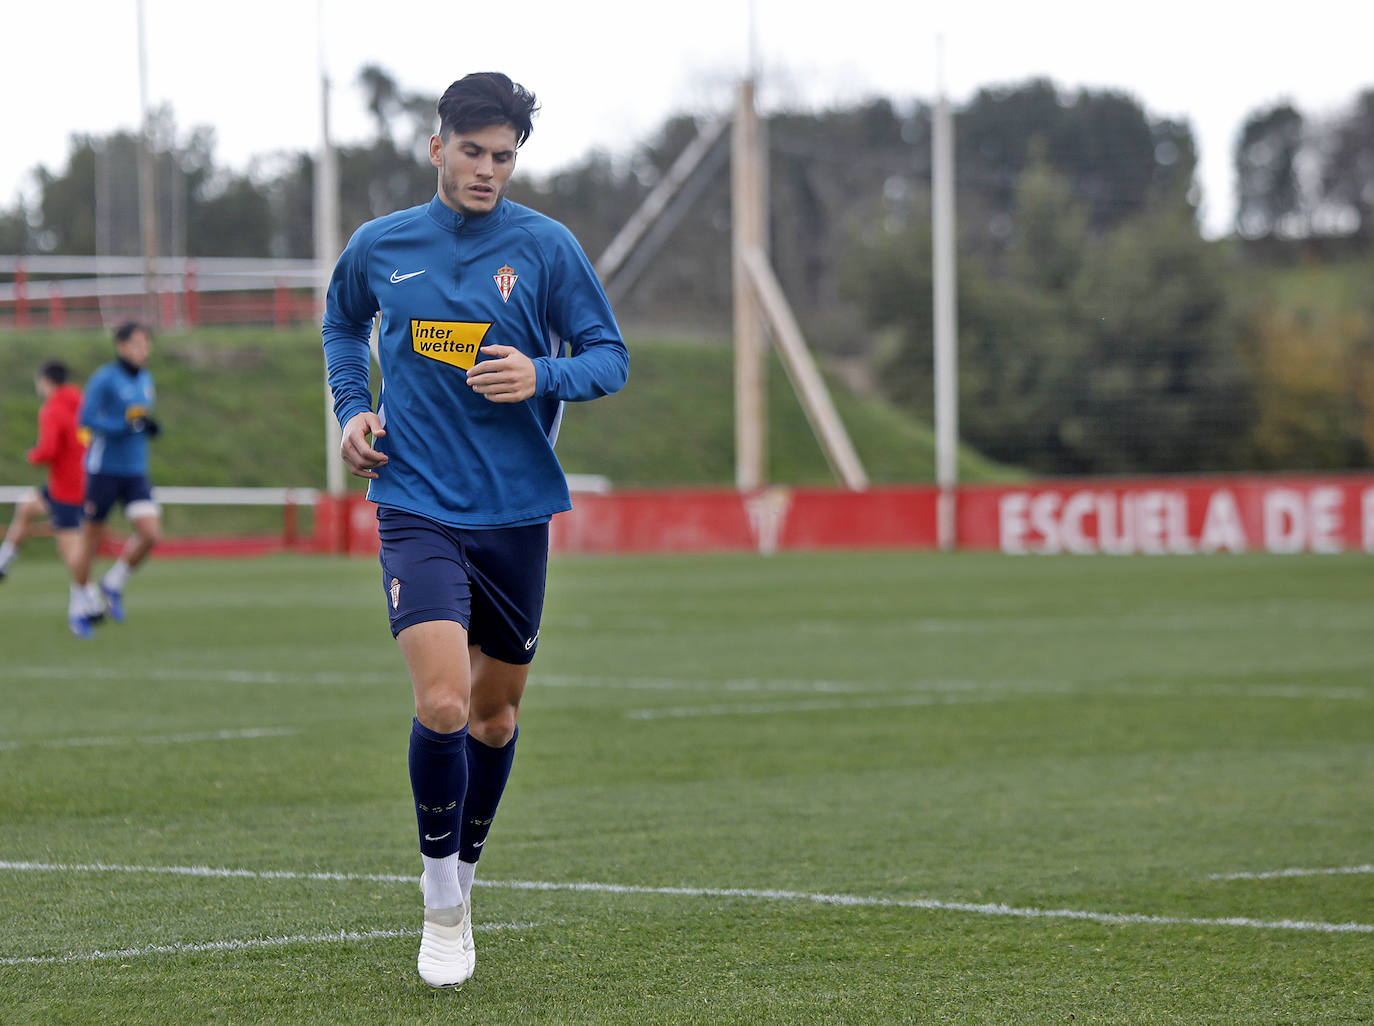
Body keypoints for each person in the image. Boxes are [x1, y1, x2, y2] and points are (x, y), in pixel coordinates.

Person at [322, 72, 628, 989]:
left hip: (514, 513)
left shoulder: (545, 247)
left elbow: (607, 358)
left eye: (504, 156)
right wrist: (350, 409)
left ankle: (466, 869)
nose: (488, 170)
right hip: (414, 502)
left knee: (495, 718)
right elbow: (343, 324)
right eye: (472, 151)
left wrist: (541, 374)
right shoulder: (382, 245)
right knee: (445, 703)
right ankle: (440, 902)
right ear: (437, 147)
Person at [72, 320, 162, 633]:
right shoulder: (105, 378)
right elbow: (85, 420)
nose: (144, 349)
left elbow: (140, 416)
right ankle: (79, 605)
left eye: (146, 343)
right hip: (104, 470)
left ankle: (113, 582)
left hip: (135, 470)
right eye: (138, 343)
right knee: (90, 542)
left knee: (150, 533)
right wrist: (121, 427)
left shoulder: (146, 378)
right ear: (122, 346)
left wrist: (149, 426)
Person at [0, 359, 99, 637]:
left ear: (45, 381)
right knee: (27, 506)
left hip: (66, 490)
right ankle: (4, 559)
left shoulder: (53, 409)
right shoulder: (82, 402)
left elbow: (50, 449)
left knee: (72, 553)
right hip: (80, 482)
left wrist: (34, 455)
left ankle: (87, 603)